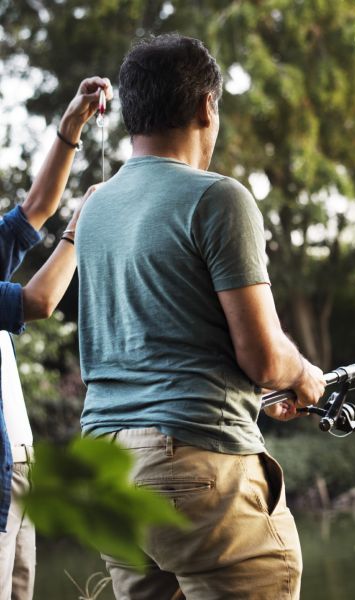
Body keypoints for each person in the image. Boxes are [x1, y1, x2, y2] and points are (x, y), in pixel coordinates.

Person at [76, 34, 325, 600]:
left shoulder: (95, 207)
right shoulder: (218, 198)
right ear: (206, 106)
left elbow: (156, 347)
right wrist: (305, 374)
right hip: (192, 467)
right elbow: (262, 357)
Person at [0, 76, 111, 600]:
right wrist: (79, 231)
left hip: (19, 465)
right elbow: (38, 302)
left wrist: (72, 126)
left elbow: (33, 213)